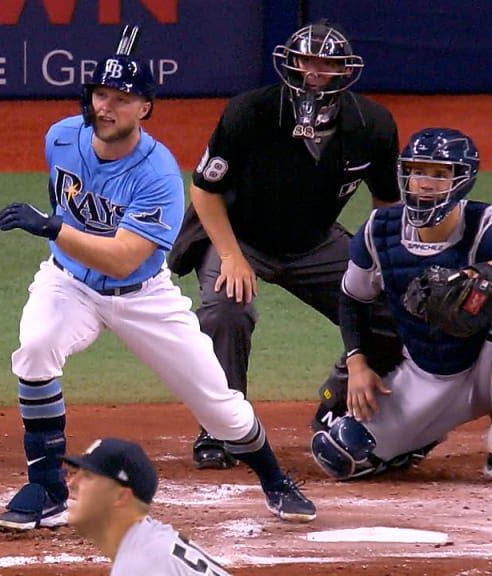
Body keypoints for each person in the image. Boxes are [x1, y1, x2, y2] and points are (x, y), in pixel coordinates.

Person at [0, 25, 316, 533]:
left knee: (221, 409)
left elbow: (123, 259)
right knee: (36, 347)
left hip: (141, 296)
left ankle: (274, 478)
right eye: (100, 94)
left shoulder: (157, 173)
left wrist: (54, 226)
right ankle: (47, 490)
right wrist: (61, 234)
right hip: (69, 283)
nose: (106, 107)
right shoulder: (59, 137)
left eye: (122, 99)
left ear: (146, 107)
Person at [167, 19, 405, 470]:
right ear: (291, 62)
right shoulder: (251, 112)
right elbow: (204, 189)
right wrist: (233, 257)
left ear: (343, 70)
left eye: (326, 63)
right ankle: (222, 427)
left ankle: (337, 405)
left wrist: (385, 265)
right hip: (239, 236)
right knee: (225, 308)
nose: (313, 71)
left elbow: (387, 204)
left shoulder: (371, 124)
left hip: (314, 244)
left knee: (392, 309)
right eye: (305, 60)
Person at [310, 127, 492, 484]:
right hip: (427, 373)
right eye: (416, 171)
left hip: (486, 366)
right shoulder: (378, 232)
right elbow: (353, 298)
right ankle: (416, 439)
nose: (424, 183)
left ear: (461, 180)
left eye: (439, 174)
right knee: (339, 457)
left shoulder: (488, 228)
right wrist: (357, 361)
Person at [63, 437, 234, 575]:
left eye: (87, 476)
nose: (71, 483)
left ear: (121, 496)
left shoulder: (142, 564)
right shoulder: (149, 543)